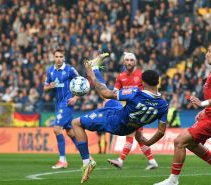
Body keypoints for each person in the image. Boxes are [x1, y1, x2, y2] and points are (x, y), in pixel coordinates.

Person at [71, 54, 169, 183]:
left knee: (76, 123)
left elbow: (104, 92)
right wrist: (148, 142)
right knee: (108, 100)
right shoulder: (163, 105)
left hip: (114, 122)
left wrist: (91, 76)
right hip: (124, 117)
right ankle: (95, 67)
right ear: (158, 82)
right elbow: (161, 131)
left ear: (143, 83)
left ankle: (86, 162)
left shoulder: (135, 93)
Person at [154, 42, 211, 185]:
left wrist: (203, 104)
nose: (207, 54)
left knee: (179, 141)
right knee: (189, 143)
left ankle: (173, 181)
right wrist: (205, 110)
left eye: (209, 51)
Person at [107, 52, 158, 170]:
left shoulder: (141, 75)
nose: (129, 62)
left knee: (130, 134)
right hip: (128, 110)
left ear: (135, 62)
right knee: (139, 137)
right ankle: (152, 161)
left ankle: (120, 160)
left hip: (139, 110)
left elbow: (151, 89)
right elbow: (114, 92)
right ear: (124, 62)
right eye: (127, 60)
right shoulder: (120, 76)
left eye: (131, 60)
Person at [43, 48, 79, 169]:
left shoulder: (69, 69)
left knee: (57, 129)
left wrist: (75, 98)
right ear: (53, 57)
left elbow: (82, 82)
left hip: (67, 103)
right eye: (56, 56)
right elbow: (45, 87)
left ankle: (62, 160)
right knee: (70, 132)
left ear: (64, 58)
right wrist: (49, 86)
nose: (59, 59)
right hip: (58, 105)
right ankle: (87, 157)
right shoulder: (50, 71)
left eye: (61, 57)